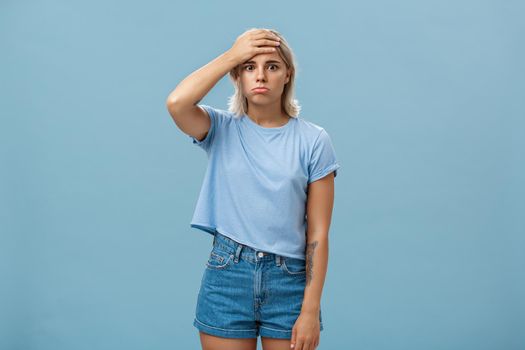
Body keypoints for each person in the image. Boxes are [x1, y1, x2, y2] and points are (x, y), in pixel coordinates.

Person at [166, 27, 340, 350]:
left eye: (272, 66)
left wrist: (311, 308)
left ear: (287, 74)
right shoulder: (221, 129)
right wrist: (232, 54)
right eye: (249, 67)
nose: (260, 76)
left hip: (288, 281)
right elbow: (177, 103)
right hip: (227, 275)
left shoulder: (314, 141)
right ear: (238, 76)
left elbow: (318, 233)